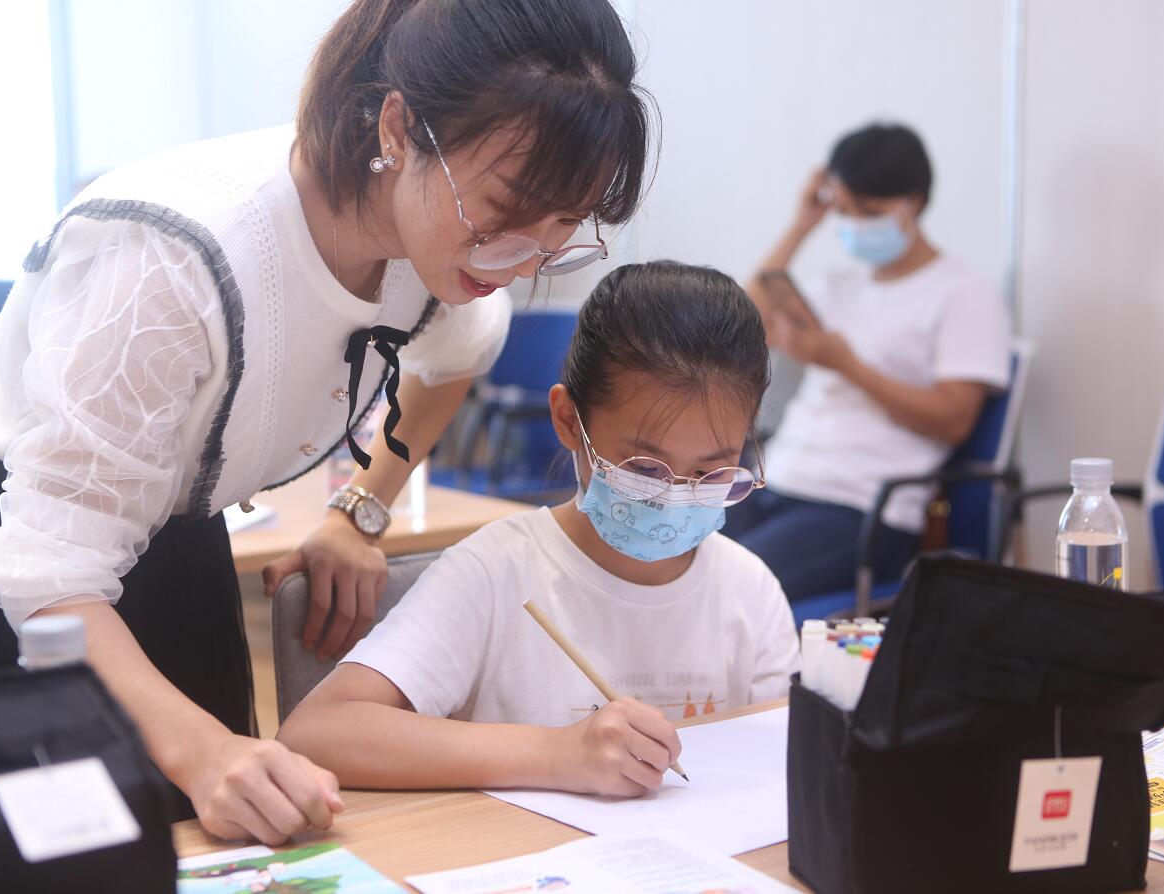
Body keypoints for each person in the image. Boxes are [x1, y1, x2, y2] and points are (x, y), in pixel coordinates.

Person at [0, 0, 652, 844]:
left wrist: (360, 511)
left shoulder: (435, 246)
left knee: (221, 833)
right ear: (399, 128)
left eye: (565, 226)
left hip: (176, 531)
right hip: (11, 541)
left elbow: (459, 354)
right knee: (57, 845)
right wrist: (204, 752)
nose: (522, 260)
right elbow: (47, 570)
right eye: (505, 208)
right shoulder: (172, 263)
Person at [277, 261, 800, 796]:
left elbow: (782, 760)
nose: (673, 499)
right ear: (569, 420)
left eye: (713, 473)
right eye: (644, 469)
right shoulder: (496, 572)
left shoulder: (749, 591)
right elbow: (316, 734)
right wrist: (555, 755)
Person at [727, 123, 1010, 603]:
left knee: (731, 590)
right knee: (668, 559)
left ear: (913, 203)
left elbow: (954, 420)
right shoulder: (838, 287)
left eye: (870, 212)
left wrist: (849, 368)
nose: (855, 223)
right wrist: (800, 226)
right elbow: (735, 325)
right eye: (844, 210)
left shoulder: (963, 294)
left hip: (860, 508)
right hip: (776, 480)